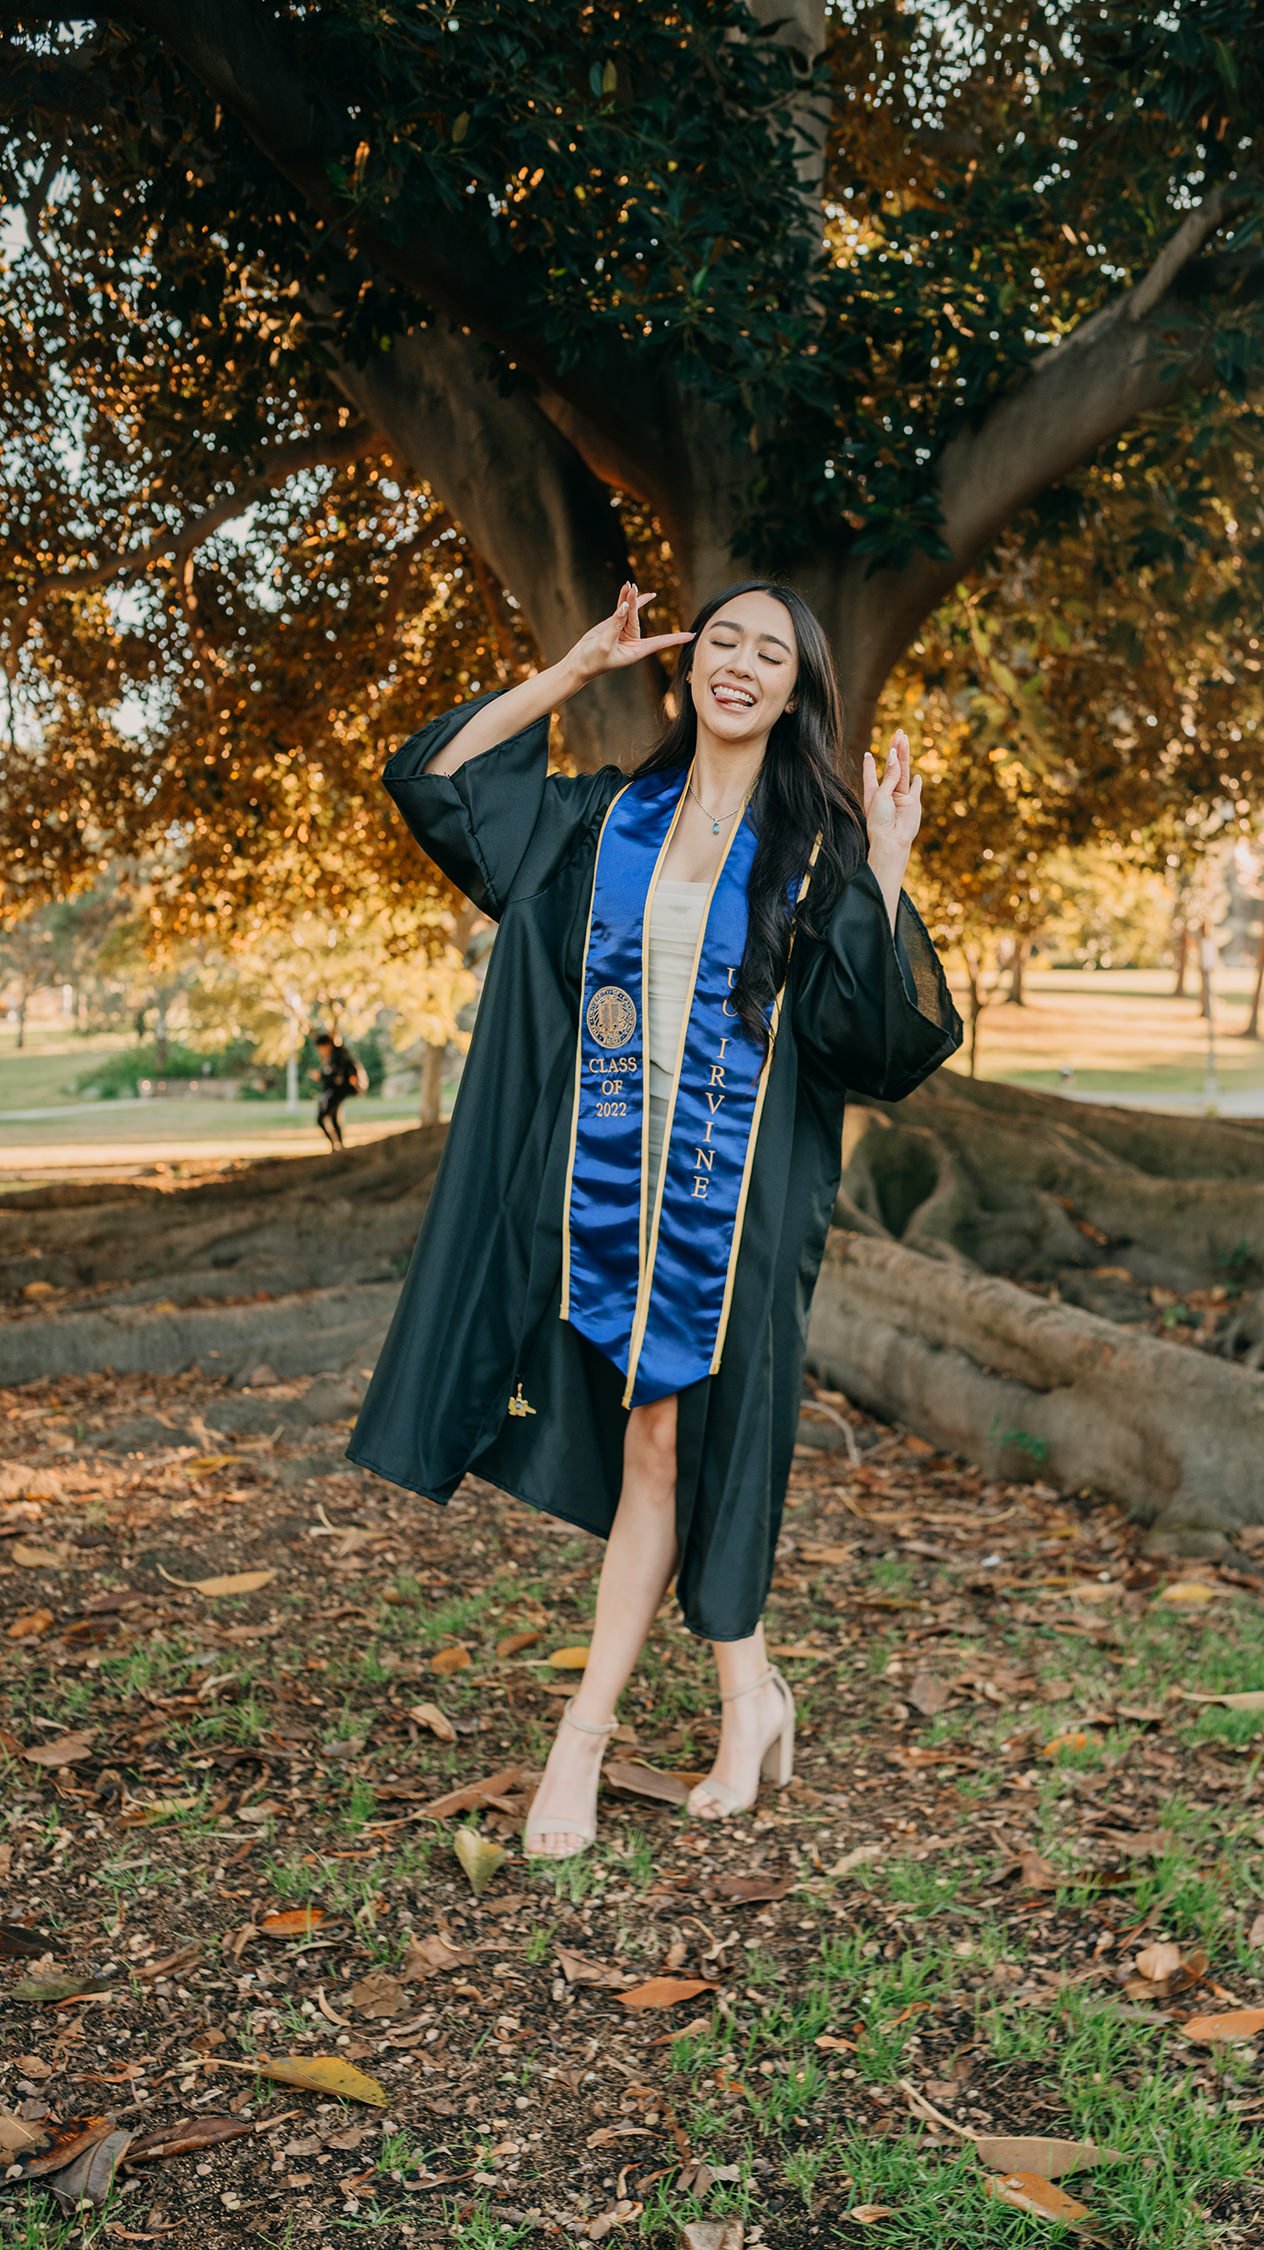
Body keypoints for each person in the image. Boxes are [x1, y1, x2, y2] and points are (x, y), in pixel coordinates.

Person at [346, 578, 961, 1858]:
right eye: (722, 639)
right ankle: (750, 1699)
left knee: (670, 1451)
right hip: (600, 1203)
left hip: (731, 1216)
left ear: (798, 691)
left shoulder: (818, 850)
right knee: (660, 1454)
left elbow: (878, 1038)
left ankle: (583, 1741)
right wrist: (566, 675)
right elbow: (442, 784)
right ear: (689, 670)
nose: (741, 662)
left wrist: (891, 866)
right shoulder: (602, 820)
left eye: (771, 651)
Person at [314, 1031, 363, 1151]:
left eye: (321, 1048)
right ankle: (339, 1146)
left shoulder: (338, 1056)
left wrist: (321, 1076)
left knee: (323, 1118)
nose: (320, 1051)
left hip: (338, 1091)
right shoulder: (336, 1056)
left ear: (326, 1045)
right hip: (337, 1091)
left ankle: (337, 1145)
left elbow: (337, 1077)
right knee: (334, 1118)